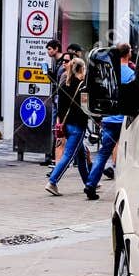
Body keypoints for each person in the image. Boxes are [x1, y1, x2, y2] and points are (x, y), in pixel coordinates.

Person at [83, 44, 136, 200]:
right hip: (125, 120)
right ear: (128, 54)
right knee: (129, 153)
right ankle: (128, 186)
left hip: (109, 118)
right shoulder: (131, 74)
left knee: (103, 153)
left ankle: (90, 184)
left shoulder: (108, 72)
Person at [45, 57, 90, 197]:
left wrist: (59, 124)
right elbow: (85, 108)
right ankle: (52, 181)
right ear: (82, 69)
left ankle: (90, 182)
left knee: (81, 155)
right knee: (69, 155)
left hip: (67, 124)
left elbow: (59, 108)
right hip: (78, 125)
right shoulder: (83, 86)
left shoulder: (64, 84)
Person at [43, 38, 64, 169]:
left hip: (59, 98)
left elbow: (58, 82)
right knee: (56, 127)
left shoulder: (61, 63)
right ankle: (53, 155)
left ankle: (55, 156)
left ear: (56, 48)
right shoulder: (56, 62)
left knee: (57, 126)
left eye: (50, 49)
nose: (48, 52)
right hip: (57, 97)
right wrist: (48, 73)